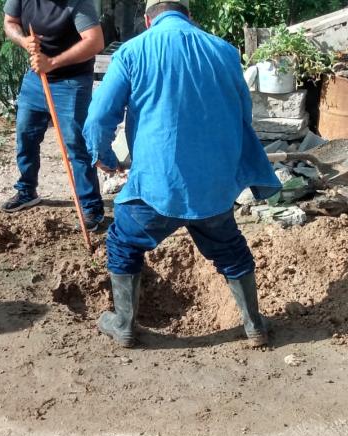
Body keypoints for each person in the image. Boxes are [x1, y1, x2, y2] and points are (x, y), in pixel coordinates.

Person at [82, 0, 282, 348]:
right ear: (190, 16)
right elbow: (243, 112)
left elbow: (100, 116)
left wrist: (103, 156)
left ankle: (125, 325)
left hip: (158, 186)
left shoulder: (132, 51)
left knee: (122, 243)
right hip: (213, 186)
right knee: (230, 249)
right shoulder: (223, 51)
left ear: (148, 20)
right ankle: (254, 326)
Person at [1, 0, 107, 231]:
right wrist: (23, 40)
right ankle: (27, 190)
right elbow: (10, 22)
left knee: (77, 146)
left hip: (72, 81)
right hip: (36, 78)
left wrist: (53, 62)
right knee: (26, 136)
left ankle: (91, 208)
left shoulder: (76, 3)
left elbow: (95, 41)